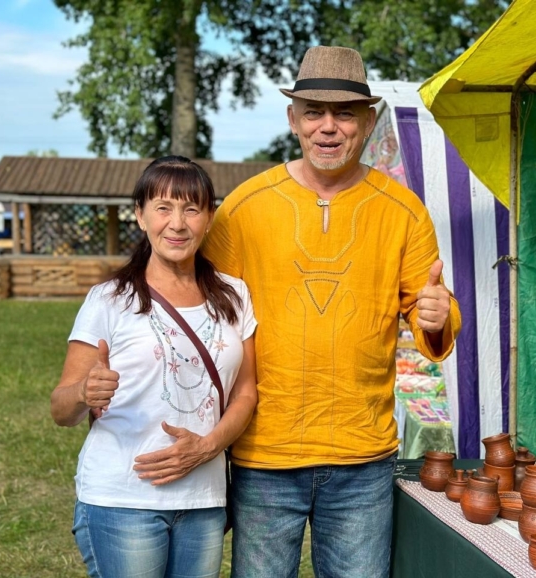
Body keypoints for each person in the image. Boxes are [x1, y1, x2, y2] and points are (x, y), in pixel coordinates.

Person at [203, 46, 461, 577]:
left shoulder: (403, 210)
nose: (328, 127)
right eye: (314, 112)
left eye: (344, 113)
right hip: (264, 453)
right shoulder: (244, 209)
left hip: (362, 457)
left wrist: (438, 316)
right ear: (292, 119)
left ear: (367, 123)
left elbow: (431, 307)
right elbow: (202, 313)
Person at [50, 156, 258, 578]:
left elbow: (246, 392)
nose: (177, 223)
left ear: (208, 217)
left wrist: (207, 446)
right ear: (140, 215)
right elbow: (61, 408)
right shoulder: (109, 299)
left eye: (191, 209)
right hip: (123, 498)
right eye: (163, 207)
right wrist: (83, 394)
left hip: (204, 499)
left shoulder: (235, 295)